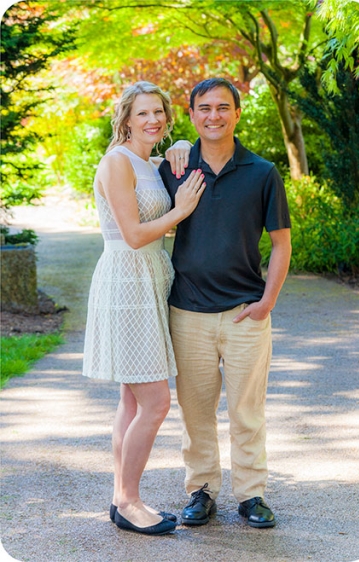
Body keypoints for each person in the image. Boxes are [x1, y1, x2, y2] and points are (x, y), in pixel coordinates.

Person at [157, 77, 292, 529]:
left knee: (247, 411)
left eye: (222, 107)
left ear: (237, 113)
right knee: (195, 411)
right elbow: (135, 172)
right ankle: (201, 490)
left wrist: (267, 301)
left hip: (244, 313)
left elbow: (281, 244)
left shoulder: (262, 172)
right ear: (192, 114)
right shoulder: (174, 167)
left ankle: (251, 494)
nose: (213, 115)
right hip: (187, 311)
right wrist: (173, 146)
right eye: (204, 108)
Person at [82, 81, 206, 536]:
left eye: (158, 112)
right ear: (126, 119)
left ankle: (121, 496)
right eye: (142, 114)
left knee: (132, 400)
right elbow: (134, 234)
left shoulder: (149, 162)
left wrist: (182, 144)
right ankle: (129, 500)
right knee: (155, 403)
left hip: (151, 279)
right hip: (127, 282)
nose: (152, 120)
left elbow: (174, 158)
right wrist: (183, 209)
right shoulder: (116, 163)